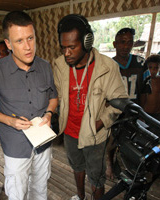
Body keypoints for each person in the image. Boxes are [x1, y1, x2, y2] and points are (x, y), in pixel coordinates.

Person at [0, 11, 58, 200]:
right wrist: (10, 121)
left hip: (42, 143)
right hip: (15, 145)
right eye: (20, 41)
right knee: (17, 193)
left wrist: (48, 114)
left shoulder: (45, 66)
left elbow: (53, 97)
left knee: (40, 188)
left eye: (30, 38)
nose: (28, 47)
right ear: (8, 44)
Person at [52, 14, 128, 200]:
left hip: (95, 135)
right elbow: (59, 95)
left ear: (86, 42)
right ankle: (80, 196)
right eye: (63, 47)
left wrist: (100, 123)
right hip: (70, 132)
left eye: (72, 47)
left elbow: (120, 101)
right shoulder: (59, 65)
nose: (66, 53)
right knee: (77, 168)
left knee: (97, 177)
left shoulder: (107, 67)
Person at [106, 28, 150, 180]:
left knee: (133, 142)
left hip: (134, 111)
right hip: (115, 111)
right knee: (112, 140)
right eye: (122, 42)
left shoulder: (141, 63)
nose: (126, 46)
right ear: (115, 44)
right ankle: (110, 165)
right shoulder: (108, 65)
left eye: (129, 42)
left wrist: (142, 113)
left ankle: (133, 171)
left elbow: (144, 90)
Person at [141, 54, 160, 121]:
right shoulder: (144, 81)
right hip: (146, 114)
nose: (153, 71)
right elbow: (142, 100)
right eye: (150, 67)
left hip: (158, 115)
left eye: (156, 68)